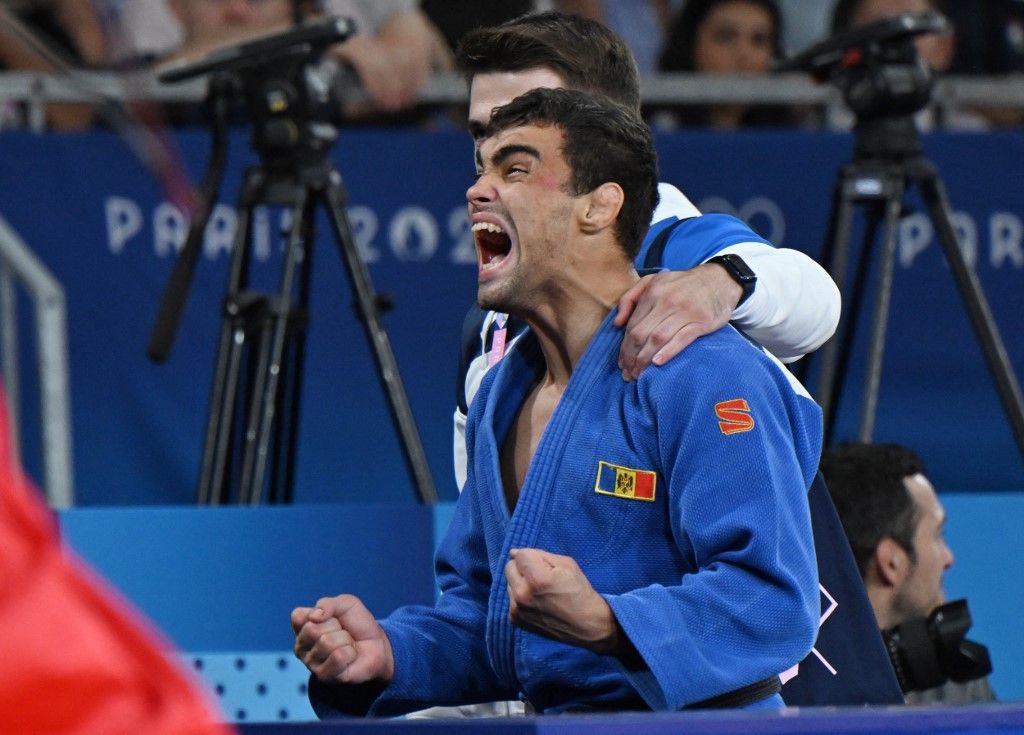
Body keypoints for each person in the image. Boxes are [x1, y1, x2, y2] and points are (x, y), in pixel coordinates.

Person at [292, 87, 822, 716]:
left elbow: (774, 604)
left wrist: (606, 622)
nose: (476, 191)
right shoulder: (501, 395)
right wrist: (392, 654)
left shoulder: (704, 371)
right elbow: (494, 627)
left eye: (514, 168)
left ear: (600, 206)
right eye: (479, 169)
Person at [452, 11, 840, 492]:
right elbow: (485, 529)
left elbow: (816, 303)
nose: (490, 155)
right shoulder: (489, 328)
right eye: (480, 134)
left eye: (521, 125)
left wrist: (719, 284)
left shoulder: (678, 249)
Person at [820, 442, 997, 705]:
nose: (949, 558)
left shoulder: (958, 689)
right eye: (938, 535)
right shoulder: (788, 683)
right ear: (891, 561)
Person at [656, 0, 806, 129]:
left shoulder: (797, 139)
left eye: (759, 40)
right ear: (690, 45)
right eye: (726, 36)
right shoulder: (652, 136)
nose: (744, 55)